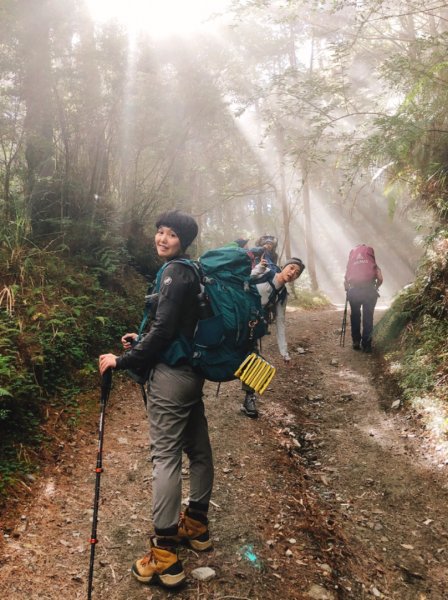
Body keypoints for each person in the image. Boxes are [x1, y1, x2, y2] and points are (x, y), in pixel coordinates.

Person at [99, 210, 214, 589]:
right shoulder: (192, 271)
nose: (162, 238)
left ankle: (165, 555)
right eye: (160, 231)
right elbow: (175, 325)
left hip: (172, 375)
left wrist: (124, 359)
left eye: (171, 234)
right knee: (198, 448)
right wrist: (141, 338)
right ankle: (196, 525)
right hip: (192, 372)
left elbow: (165, 330)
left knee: (165, 457)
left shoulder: (173, 273)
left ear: (184, 240)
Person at [241, 257, 306, 418]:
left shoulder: (282, 294)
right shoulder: (265, 272)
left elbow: (280, 323)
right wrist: (258, 269)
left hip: (251, 325)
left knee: (254, 358)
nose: (292, 273)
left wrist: (285, 353)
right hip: (236, 314)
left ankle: (249, 399)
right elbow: (244, 280)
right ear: (283, 266)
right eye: (291, 268)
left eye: (296, 273)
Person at [344, 244, 383, 353]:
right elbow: (380, 278)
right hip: (369, 291)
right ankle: (367, 344)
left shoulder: (351, 265)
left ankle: (356, 341)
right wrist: (375, 287)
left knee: (355, 316)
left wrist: (348, 290)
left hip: (354, 291)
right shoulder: (373, 265)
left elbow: (346, 282)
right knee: (368, 317)